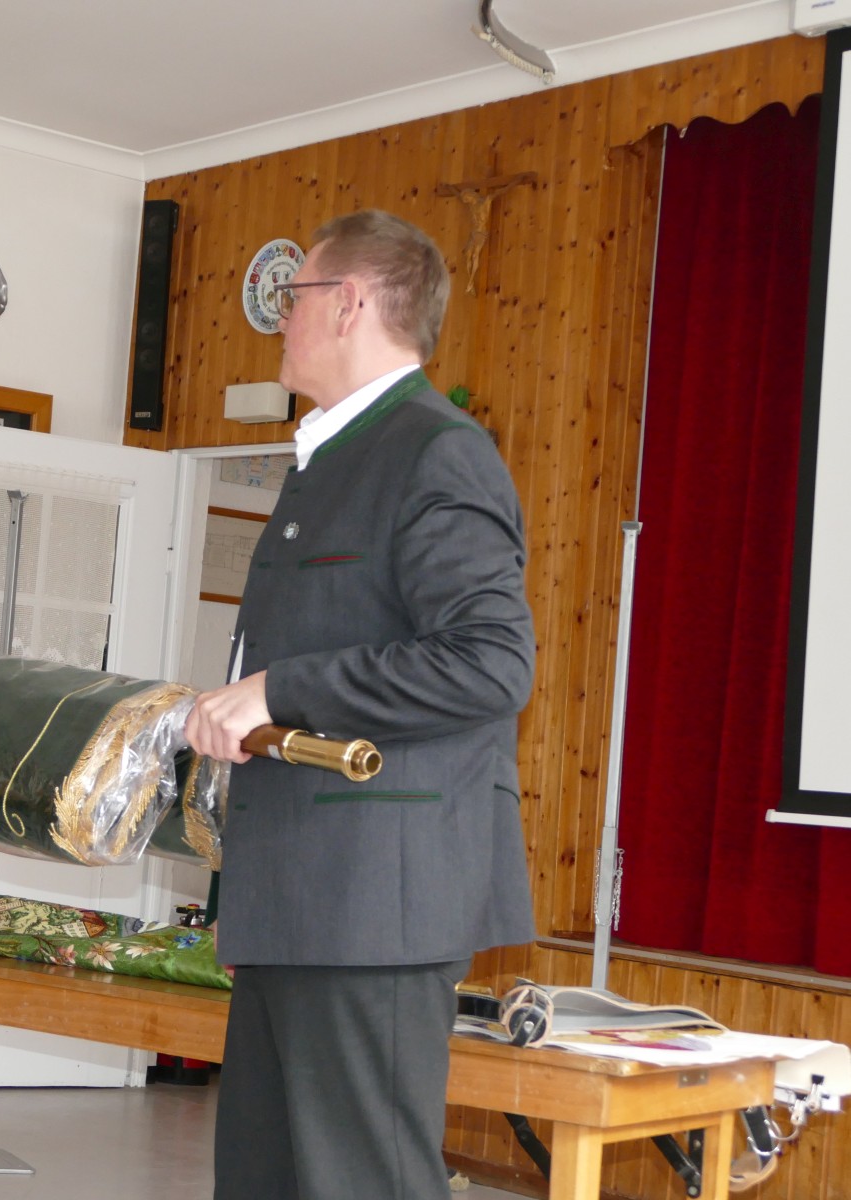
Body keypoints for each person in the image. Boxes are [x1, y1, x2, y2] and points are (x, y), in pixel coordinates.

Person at [184, 210, 535, 1200]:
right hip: (297, 896)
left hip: (373, 906)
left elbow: (491, 662)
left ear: (346, 304)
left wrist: (279, 690)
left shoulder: (435, 451)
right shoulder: (332, 457)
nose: (279, 319)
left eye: (291, 296)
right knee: (265, 1182)